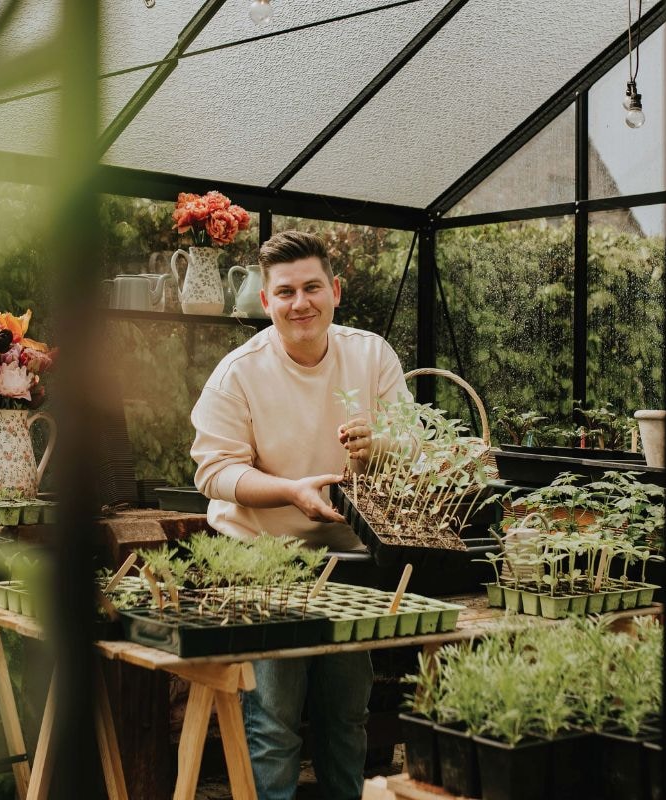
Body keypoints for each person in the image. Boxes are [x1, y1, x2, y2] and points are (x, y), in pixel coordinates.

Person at [189, 230, 411, 800]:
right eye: (284, 292)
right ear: (265, 302)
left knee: (346, 714)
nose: (300, 302)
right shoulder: (239, 372)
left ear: (334, 291)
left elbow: (413, 444)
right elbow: (214, 471)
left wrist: (381, 444)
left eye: (312, 287)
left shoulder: (370, 354)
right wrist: (290, 491)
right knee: (272, 719)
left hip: (351, 560)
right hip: (264, 562)